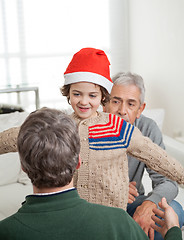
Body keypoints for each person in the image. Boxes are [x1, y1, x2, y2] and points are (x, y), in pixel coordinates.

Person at [0, 48, 184, 212]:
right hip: (73, 210)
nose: (84, 101)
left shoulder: (117, 127)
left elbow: (156, 157)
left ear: (103, 96)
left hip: (111, 213)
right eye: (77, 94)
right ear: (68, 94)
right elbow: (22, 134)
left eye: (92, 95)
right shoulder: (61, 125)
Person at [0, 107, 179, 240]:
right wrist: (173, 230)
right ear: (79, 162)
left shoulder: (6, 231)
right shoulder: (119, 222)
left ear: (23, 167)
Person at [104, 71, 184, 240]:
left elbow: (168, 181)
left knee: (174, 211)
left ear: (140, 109)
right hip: (99, 206)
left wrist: (149, 204)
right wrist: (113, 190)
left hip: (133, 203)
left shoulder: (147, 128)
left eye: (131, 104)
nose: (122, 111)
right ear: (105, 103)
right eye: (116, 101)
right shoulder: (90, 127)